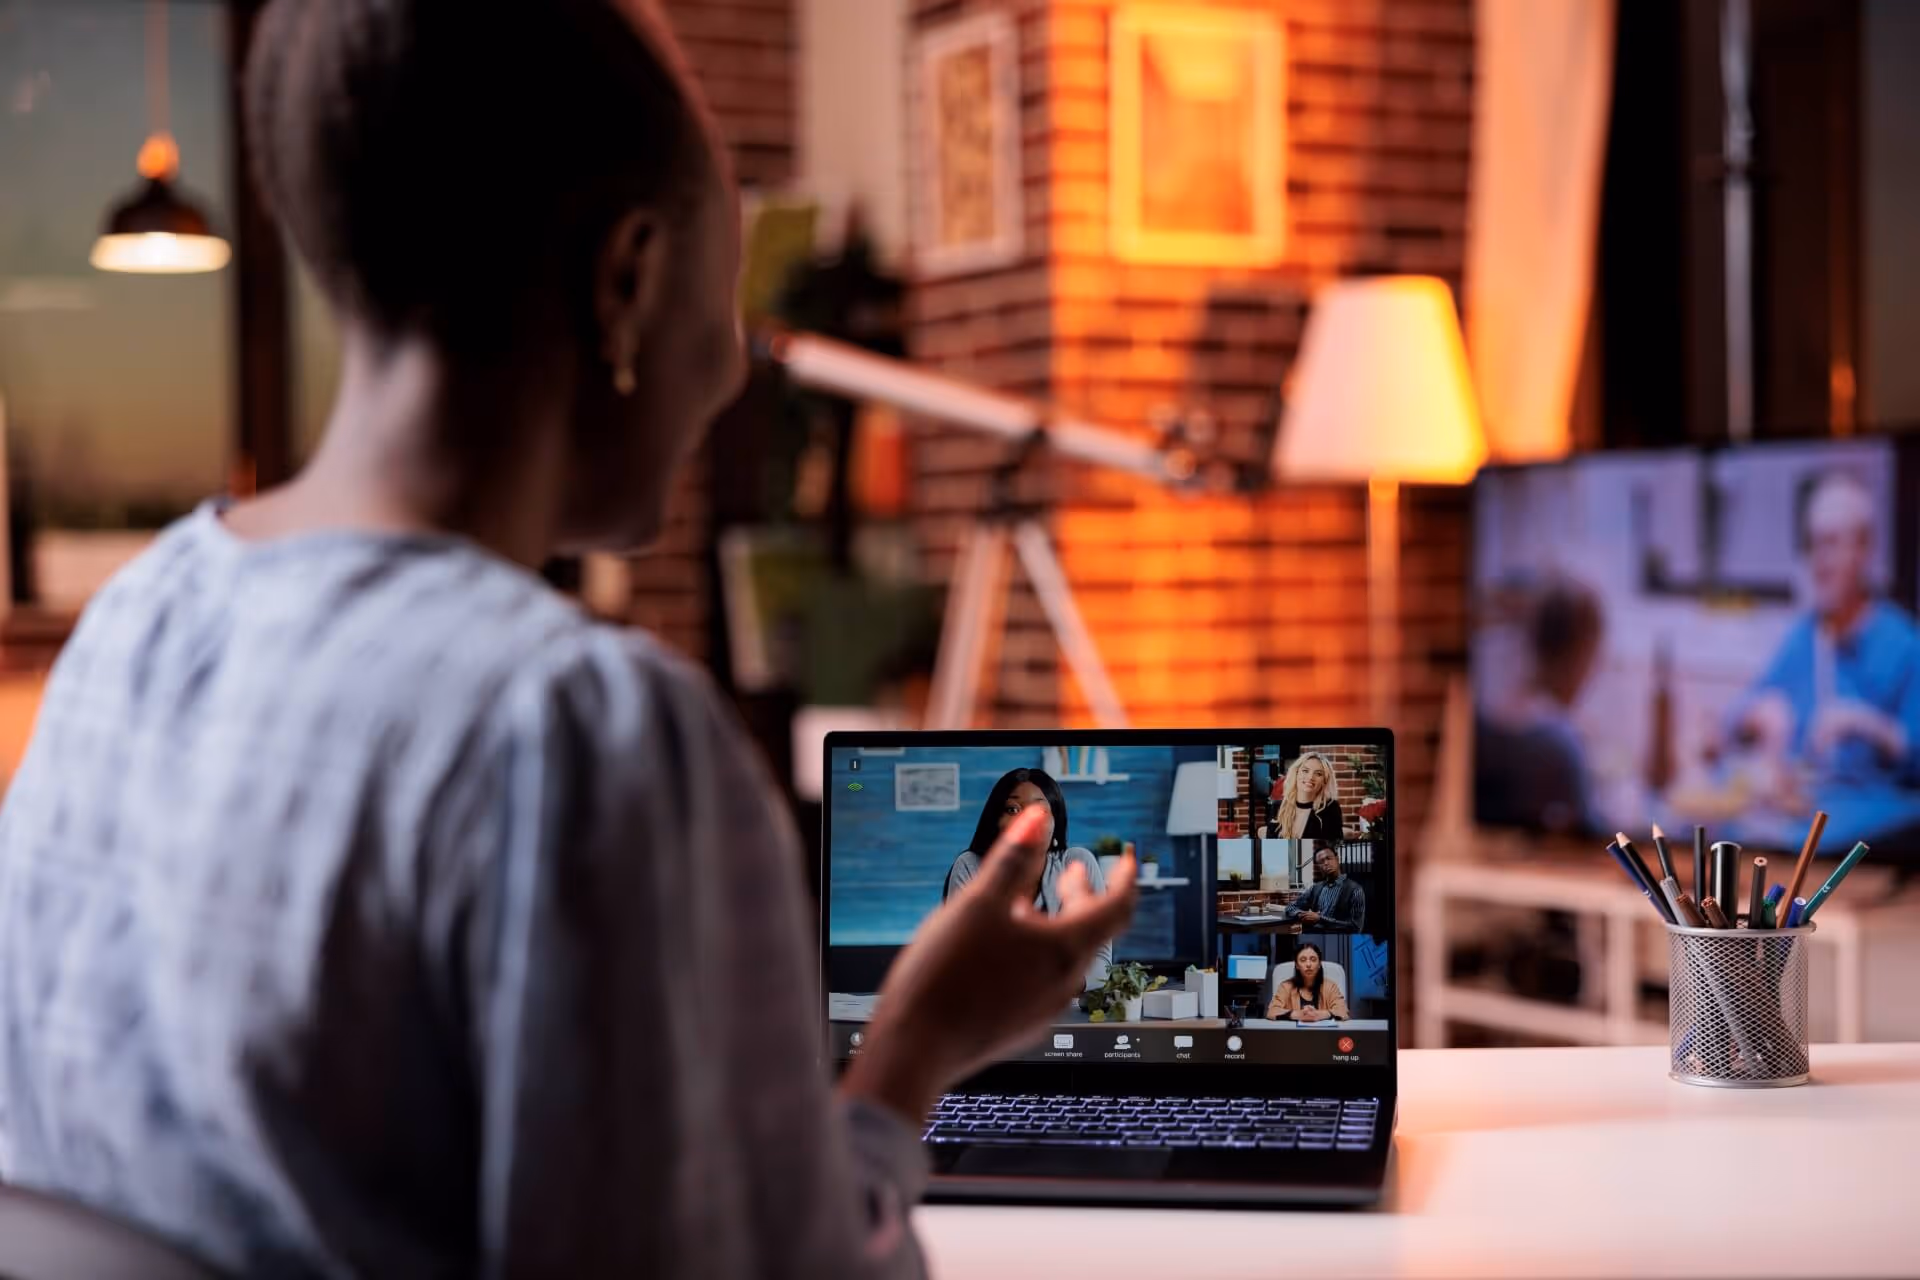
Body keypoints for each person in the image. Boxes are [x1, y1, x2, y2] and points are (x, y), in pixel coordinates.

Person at [0, 3, 1138, 1276]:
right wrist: (911, 1055)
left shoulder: (131, 628)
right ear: (628, 280)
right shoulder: (578, 731)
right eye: (725, 298)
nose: (731, 372)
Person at [1728, 471, 1920, 787]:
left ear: (1864, 548)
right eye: (1812, 545)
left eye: (1831, 543)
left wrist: (1873, 728)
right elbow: (1737, 714)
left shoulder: (1906, 646)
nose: (1819, 561)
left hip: (1877, 817)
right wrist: (1754, 717)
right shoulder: (1805, 638)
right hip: (1809, 813)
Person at [943, 769, 1110, 988]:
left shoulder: (1077, 864)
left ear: (1055, 821)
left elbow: (1100, 960)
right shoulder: (970, 867)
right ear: (996, 821)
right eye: (1013, 809)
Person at [1473, 578, 1605, 834]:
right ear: (1581, 652)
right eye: (1594, 655)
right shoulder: (1560, 743)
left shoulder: (1502, 711)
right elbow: (1593, 837)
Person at [1281, 846, 1367, 933]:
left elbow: (1356, 927)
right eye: (1321, 862)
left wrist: (1320, 919)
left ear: (1337, 859)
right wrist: (1300, 914)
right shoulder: (1315, 888)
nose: (1326, 863)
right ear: (1319, 867)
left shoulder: (1355, 890)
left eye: (1328, 858)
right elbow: (1290, 907)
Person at [1264, 751, 1344, 841]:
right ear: (1296, 773)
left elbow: (1335, 844)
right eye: (1305, 771)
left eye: (1318, 774)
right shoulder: (1277, 807)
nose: (1310, 777)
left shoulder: (1330, 807)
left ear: (1324, 781)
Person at [1266, 942, 1349, 1021]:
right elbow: (1272, 1011)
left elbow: (1343, 1011)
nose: (1308, 964)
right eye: (1303, 960)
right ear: (1297, 965)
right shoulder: (1285, 987)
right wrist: (1298, 1014)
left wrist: (1319, 1014)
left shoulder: (1330, 986)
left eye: (1313, 960)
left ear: (1319, 964)